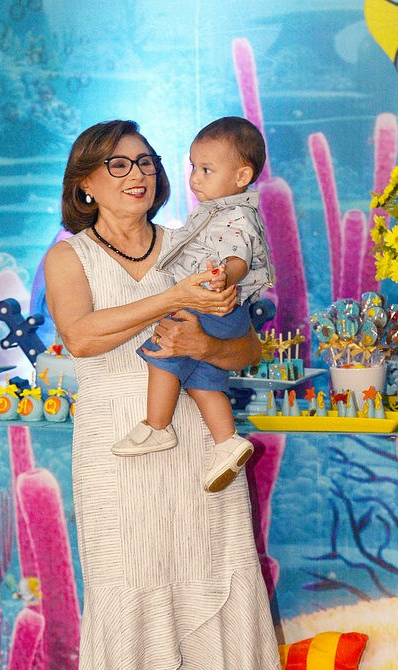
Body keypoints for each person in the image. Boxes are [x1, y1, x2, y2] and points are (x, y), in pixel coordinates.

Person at [44, 119, 289, 670]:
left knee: (202, 588)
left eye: (146, 161)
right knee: (124, 594)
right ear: (85, 184)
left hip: (199, 448)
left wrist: (207, 346)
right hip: (114, 447)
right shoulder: (69, 257)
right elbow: (81, 337)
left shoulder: (199, 239)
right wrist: (175, 296)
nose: (139, 174)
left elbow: (248, 348)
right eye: (119, 164)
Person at [112, 116, 274, 494]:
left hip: (211, 303)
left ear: (242, 176)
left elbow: (238, 257)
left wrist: (224, 276)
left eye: (206, 170)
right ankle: (227, 441)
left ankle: (157, 426)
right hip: (224, 309)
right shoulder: (218, 209)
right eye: (193, 168)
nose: (195, 179)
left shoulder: (235, 215)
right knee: (204, 382)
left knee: (163, 352)